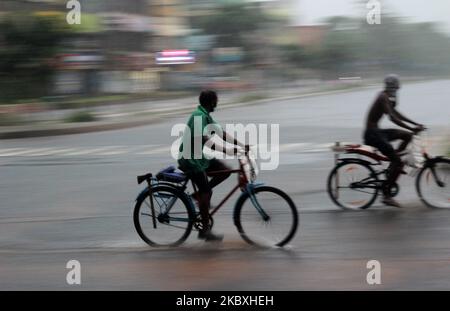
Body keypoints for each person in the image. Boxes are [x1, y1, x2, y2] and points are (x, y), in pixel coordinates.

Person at [178, 90, 249, 241]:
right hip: (190, 160)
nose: (217, 103)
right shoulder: (198, 116)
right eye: (216, 101)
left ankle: (199, 196)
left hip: (200, 158)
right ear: (211, 102)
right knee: (206, 192)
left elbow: (221, 133)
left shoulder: (205, 116)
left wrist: (242, 145)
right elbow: (204, 140)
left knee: (225, 170)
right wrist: (228, 150)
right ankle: (204, 230)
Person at [363, 74, 425, 208]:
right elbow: (392, 118)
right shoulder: (382, 97)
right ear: (390, 87)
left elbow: (397, 114)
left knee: (408, 136)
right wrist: (412, 127)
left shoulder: (388, 97)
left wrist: (415, 124)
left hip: (377, 132)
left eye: (396, 88)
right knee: (398, 162)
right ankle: (386, 196)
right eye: (394, 88)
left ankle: (394, 158)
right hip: (372, 134)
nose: (396, 90)